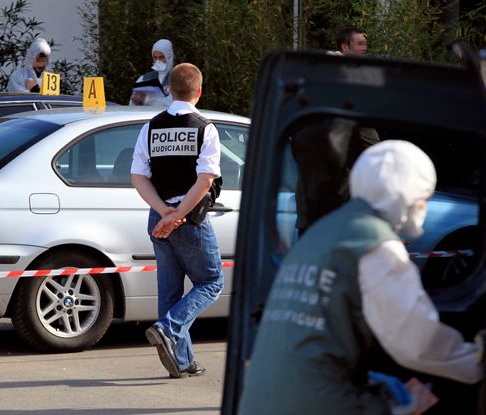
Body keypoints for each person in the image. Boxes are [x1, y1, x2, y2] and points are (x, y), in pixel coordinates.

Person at [238, 140, 483, 414]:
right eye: (423, 197)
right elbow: (417, 343)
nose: (423, 206)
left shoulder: (323, 231)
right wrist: (476, 362)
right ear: (406, 195)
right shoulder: (376, 244)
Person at [131, 63, 224, 378]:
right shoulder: (205, 127)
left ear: (169, 90)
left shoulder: (151, 127)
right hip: (188, 221)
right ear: (199, 91)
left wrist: (164, 212)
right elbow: (205, 180)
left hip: (158, 216)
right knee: (211, 282)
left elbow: (138, 176)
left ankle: (181, 361)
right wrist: (178, 215)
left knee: (169, 292)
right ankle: (168, 329)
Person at [291, 118, 379, 236]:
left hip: (311, 214)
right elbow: (377, 162)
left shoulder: (301, 116)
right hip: (339, 214)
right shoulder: (352, 118)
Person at [129, 39, 174, 106]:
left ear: (169, 57)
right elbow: (131, 106)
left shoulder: (178, 78)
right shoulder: (144, 79)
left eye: (161, 57)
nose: (158, 61)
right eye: (155, 57)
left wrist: (147, 100)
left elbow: (176, 103)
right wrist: (136, 102)